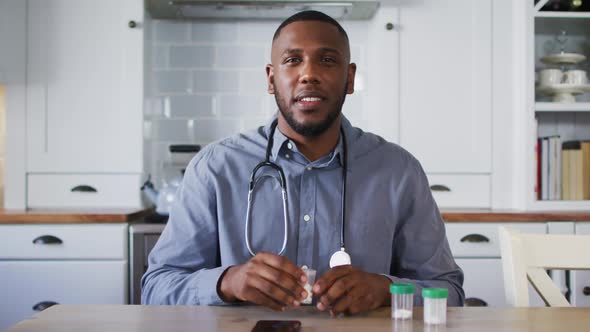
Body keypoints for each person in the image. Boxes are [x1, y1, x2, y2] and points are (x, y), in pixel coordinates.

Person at [142, 10, 464, 315]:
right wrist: (227, 283)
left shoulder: (399, 172)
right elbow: (155, 289)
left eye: (327, 60)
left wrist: (385, 289)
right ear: (271, 79)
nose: (309, 74)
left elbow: (449, 292)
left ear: (349, 78)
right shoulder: (214, 168)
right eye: (292, 60)